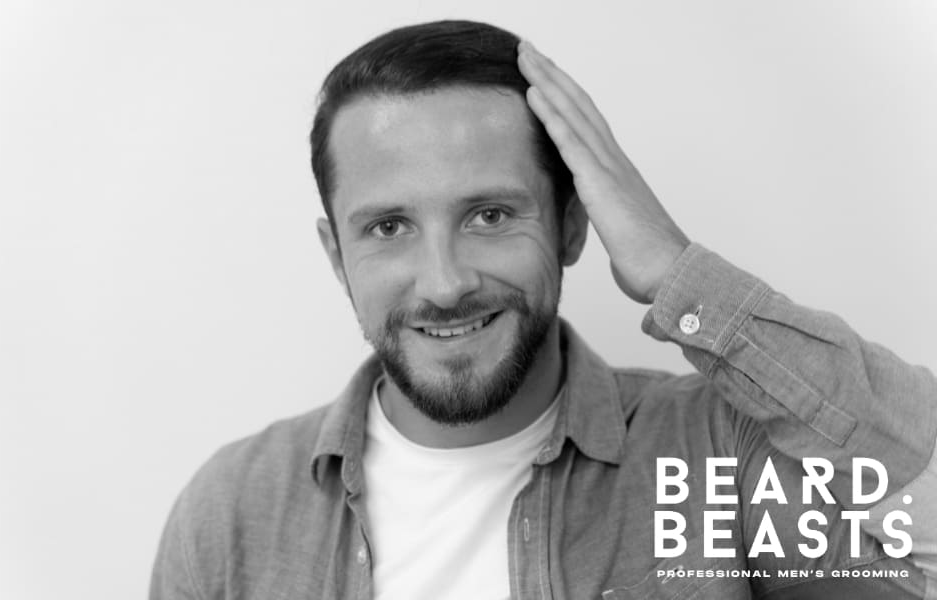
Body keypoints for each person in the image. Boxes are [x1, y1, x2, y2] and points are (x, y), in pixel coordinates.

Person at [150, 20, 937, 599]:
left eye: (489, 215)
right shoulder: (232, 512)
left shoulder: (717, 458)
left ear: (569, 226)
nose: (445, 283)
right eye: (389, 228)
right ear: (337, 256)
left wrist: (676, 272)